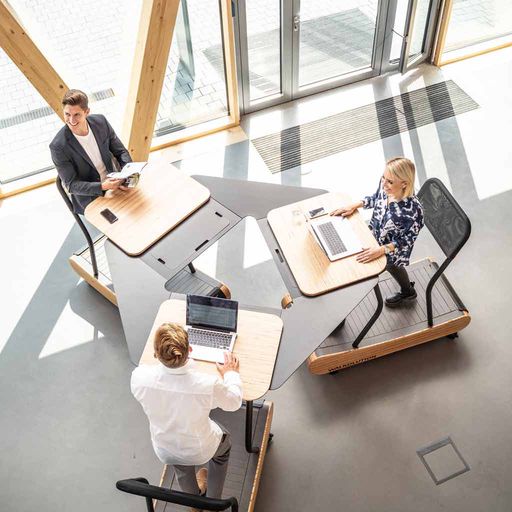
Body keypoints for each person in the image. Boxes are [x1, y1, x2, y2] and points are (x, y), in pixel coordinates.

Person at [131, 322, 242, 504]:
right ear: (190, 350)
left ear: (156, 354)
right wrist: (230, 373)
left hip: (166, 449)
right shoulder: (206, 384)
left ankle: (194, 504)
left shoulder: (139, 378)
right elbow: (233, 402)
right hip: (200, 449)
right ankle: (212, 503)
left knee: (180, 464)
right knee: (224, 446)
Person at [331, 157, 424, 307]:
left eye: (390, 182)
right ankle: (408, 290)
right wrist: (355, 205)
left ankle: (407, 292)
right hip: (375, 235)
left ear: (404, 184)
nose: (384, 184)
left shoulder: (413, 212)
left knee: (391, 265)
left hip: (391, 249)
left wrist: (381, 250)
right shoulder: (386, 187)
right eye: (383, 178)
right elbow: (376, 198)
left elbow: (406, 241)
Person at [49, 89, 132, 214]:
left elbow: (121, 152)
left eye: (77, 115)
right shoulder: (58, 147)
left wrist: (126, 174)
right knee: (119, 224)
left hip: (116, 183)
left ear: (87, 112)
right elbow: (71, 185)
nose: (71, 120)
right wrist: (103, 186)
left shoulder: (101, 122)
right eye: (67, 114)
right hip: (91, 198)